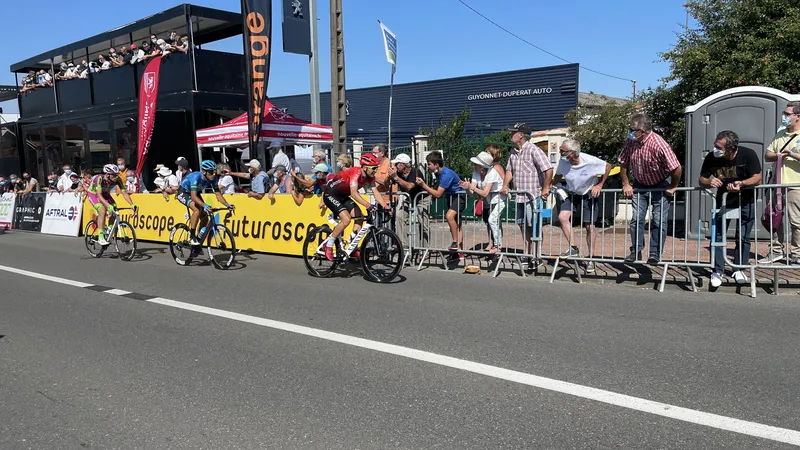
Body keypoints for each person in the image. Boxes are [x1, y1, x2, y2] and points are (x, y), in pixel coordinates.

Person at [699, 130, 762, 287]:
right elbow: (702, 178)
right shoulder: (711, 157)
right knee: (718, 236)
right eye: (715, 146)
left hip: (745, 200)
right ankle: (717, 270)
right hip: (723, 201)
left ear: (732, 148)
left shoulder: (748, 154)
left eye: (720, 147)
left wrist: (742, 184)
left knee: (743, 236)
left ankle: (739, 268)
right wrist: (709, 182)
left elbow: (757, 177)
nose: (716, 150)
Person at [618, 113, 682, 264]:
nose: (630, 132)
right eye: (630, 129)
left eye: (633, 129)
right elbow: (623, 162)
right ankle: (636, 250)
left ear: (643, 130)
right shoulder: (631, 141)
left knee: (659, 220)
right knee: (636, 219)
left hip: (660, 184)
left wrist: (673, 186)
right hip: (640, 184)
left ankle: (655, 253)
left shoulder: (659, 144)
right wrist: (626, 183)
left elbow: (676, 167)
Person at [552, 139, 611, 273]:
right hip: (571, 192)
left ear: (572, 153)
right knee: (562, 217)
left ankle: (591, 259)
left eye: (563, 151)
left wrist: (599, 185)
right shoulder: (563, 161)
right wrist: (551, 184)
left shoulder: (589, 161)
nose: (560, 153)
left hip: (587, 193)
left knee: (589, 226)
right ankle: (573, 247)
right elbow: (559, 174)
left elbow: (608, 166)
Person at [502, 123, 553, 269]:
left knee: (534, 226)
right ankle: (527, 252)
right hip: (519, 196)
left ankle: (537, 255)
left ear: (521, 135)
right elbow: (509, 171)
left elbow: (548, 169)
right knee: (522, 224)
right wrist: (505, 184)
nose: (510, 135)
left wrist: (545, 188)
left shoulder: (533, 150)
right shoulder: (513, 152)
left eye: (513, 132)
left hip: (533, 196)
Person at [321, 153, 390, 262]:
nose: (375, 170)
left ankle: (352, 246)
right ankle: (328, 245)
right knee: (346, 219)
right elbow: (354, 193)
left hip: (343, 196)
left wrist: (386, 206)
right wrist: (368, 205)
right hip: (331, 194)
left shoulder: (370, 177)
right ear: (365, 167)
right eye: (373, 168)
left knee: (360, 218)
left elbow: (376, 192)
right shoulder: (356, 172)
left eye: (376, 168)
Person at [761, 101, 800, 264]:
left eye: (787, 114)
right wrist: (780, 155)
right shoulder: (780, 134)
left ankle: (797, 253)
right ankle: (776, 250)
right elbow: (768, 155)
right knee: (773, 218)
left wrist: (791, 153)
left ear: (798, 117)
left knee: (796, 221)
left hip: (795, 185)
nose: (784, 117)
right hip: (777, 185)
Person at [416, 151, 467, 257]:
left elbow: (438, 194)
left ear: (436, 164)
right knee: (457, 224)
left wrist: (424, 185)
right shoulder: (437, 173)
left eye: (429, 164)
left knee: (449, 216)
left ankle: (455, 242)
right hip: (451, 196)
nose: (428, 166)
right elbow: (437, 187)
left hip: (459, 196)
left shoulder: (447, 174)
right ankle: (459, 252)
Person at [176, 160, 235, 246]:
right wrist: (205, 205)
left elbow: (218, 195)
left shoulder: (213, 179)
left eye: (214, 171)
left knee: (204, 218)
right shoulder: (195, 177)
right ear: (204, 172)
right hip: (184, 192)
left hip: (195, 193)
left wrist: (227, 205)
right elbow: (193, 197)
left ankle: (198, 240)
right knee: (196, 210)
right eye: (211, 172)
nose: (214, 174)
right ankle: (192, 237)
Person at [87, 164, 137, 246]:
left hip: (106, 194)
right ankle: (100, 237)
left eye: (116, 175)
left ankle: (109, 229)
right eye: (114, 175)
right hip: (94, 194)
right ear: (107, 174)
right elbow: (99, 195)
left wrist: (132, 205)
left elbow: (124, 193)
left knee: (114, 208)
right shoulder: (99, 178)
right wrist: (107, 205)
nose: (116, 177)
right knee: (102, 210)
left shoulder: (118, 179)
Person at [389, 153, 429, 249]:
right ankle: (403, 243)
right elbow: (389, 183)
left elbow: (410, 186)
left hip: (422, 198)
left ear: (402, 165)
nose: (394, 166)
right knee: (399, 215)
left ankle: (424, 249)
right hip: (410, 198)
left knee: (423, 222)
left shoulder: (416, 172)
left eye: (396, 164)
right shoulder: (398, 173)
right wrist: (390, 176)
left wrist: (396, 178)